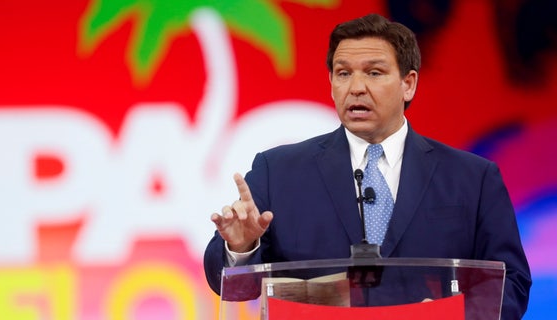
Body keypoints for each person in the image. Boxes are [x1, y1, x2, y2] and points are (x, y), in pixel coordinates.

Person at [203, 13, 531, 319]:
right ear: (331, 82)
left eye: (374, 72)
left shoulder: (473, 179)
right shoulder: (278, 172)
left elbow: (512, 283)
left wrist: (449, 314)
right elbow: (231, 285)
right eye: (344, 73)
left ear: (408, 84)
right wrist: (241, 247)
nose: (356, 87)